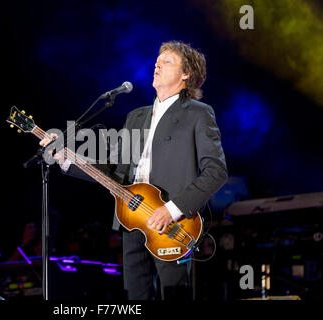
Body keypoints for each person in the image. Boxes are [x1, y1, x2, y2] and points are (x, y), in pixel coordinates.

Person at [40, 41, 228, 300]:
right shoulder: (136, 116)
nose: (157, 65)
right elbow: (114, 171)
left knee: (175, 295)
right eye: (156, 62)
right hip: (131, 220)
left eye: (167, 62)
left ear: (186, 74)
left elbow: (216, 171)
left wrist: (172, 210)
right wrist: (64, 157)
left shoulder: (198, 113)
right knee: (135, 298)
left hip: (172, 223)